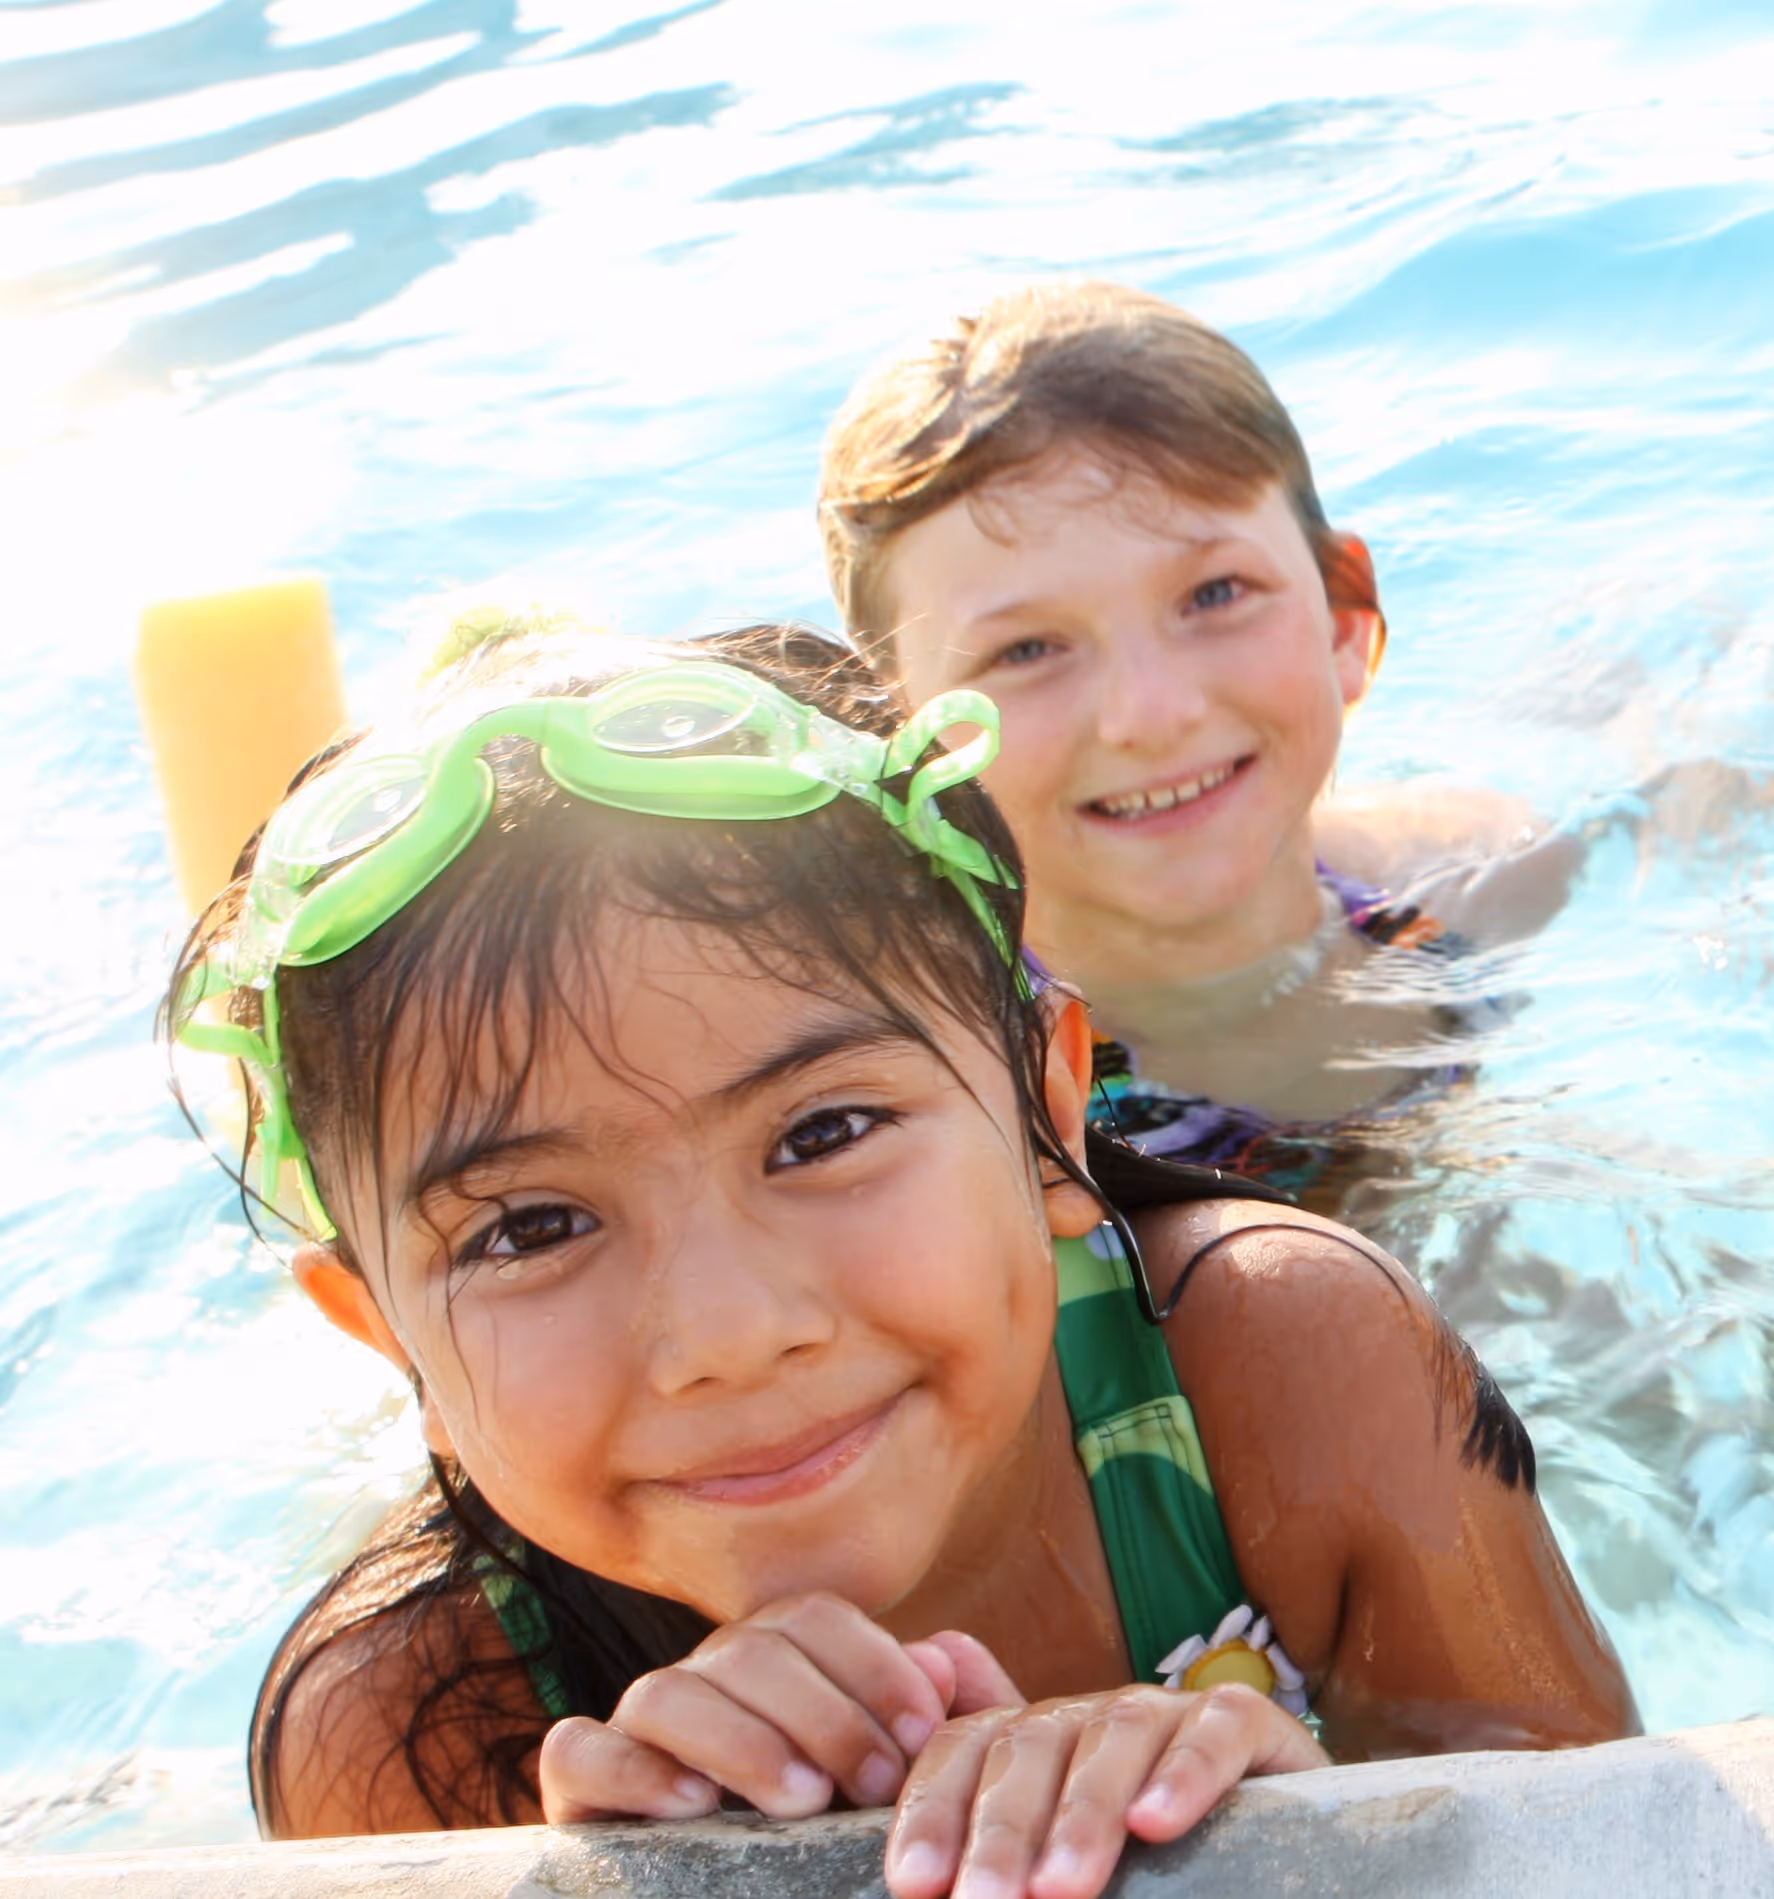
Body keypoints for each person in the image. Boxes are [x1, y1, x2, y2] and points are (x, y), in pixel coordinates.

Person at [165, 616, 1633, 1899]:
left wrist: (1296, 1830)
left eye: (824, 1132)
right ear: (387, 1339)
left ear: (1048, 1108)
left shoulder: (1288, 1370)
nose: (729, 1331)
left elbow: (1610, 1839)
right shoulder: (411, 1719)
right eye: (529, 1227)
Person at [819, 282, 1580, 1204]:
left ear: (1345, 619)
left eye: (1215, 594)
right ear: (906, 739)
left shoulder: (1477, 871)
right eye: (1026, 649)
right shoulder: (918, 1091)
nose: (1153, 713)